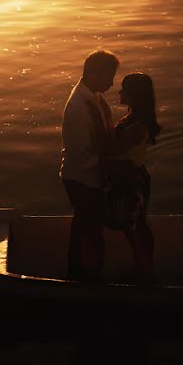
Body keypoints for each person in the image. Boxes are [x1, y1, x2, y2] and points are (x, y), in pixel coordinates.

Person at [60, 50, 120, 281]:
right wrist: (110, 162)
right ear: (94, 74)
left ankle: (76, 275)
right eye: (109, 77)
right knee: (91, 234)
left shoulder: (93, 98)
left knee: (83, 230)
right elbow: (79, 157)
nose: (112, 83)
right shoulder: (78, 108)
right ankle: (86, 280)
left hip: (90, 179)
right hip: (81, 180)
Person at [103, 72, 161, 284]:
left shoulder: (137, 127)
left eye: (124, 89)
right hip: (126, 178)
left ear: (134, 95)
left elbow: (110, 149)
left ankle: (144, 273)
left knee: (136, 228)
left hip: (131, 181)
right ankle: (142, 270)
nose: (120, 91)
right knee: (132, 227)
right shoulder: (132, 119)